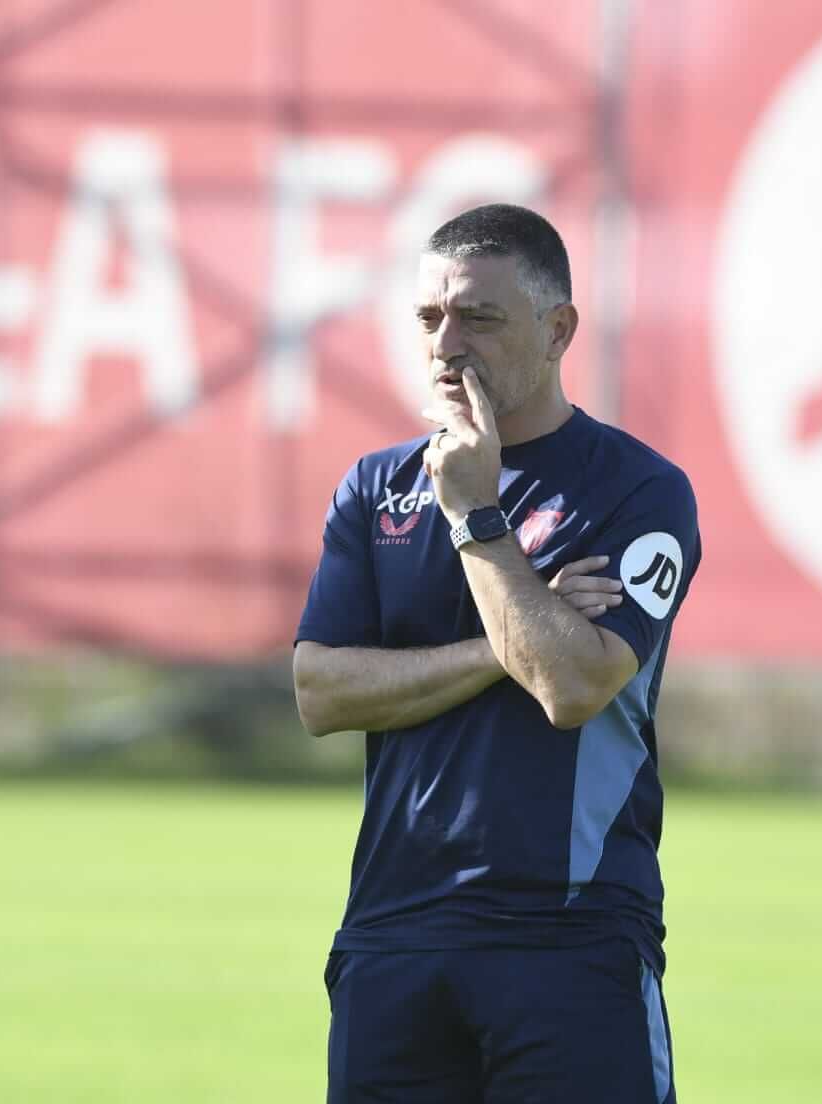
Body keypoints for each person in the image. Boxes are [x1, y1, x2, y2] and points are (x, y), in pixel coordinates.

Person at [293, 203, 699, 1103]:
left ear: (559, 330)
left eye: (479, 318)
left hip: (571, 937)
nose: (446, 345)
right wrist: (502, 644)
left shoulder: (638, 490)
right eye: (430, 318)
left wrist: (478, 519)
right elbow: (320, 691)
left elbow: (570, 684)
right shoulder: (377, 488)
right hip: (392, 936)